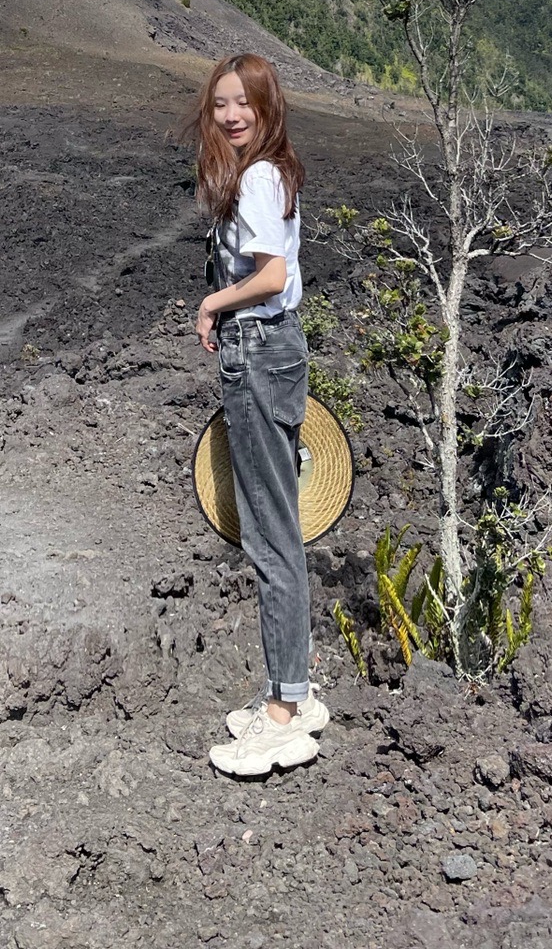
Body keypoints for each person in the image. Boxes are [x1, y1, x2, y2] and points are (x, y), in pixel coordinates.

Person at [188, 52, 328, 777]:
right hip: (271, 349)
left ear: (268, 105)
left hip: (259, 349)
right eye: (220, 104)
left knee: (271, 538)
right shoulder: (272, 173)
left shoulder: (259, 177)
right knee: (278, 529)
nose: (232, 114)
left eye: (244, 102)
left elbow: (270, 275)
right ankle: (291, 690)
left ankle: (283, 710)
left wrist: (213, 302)